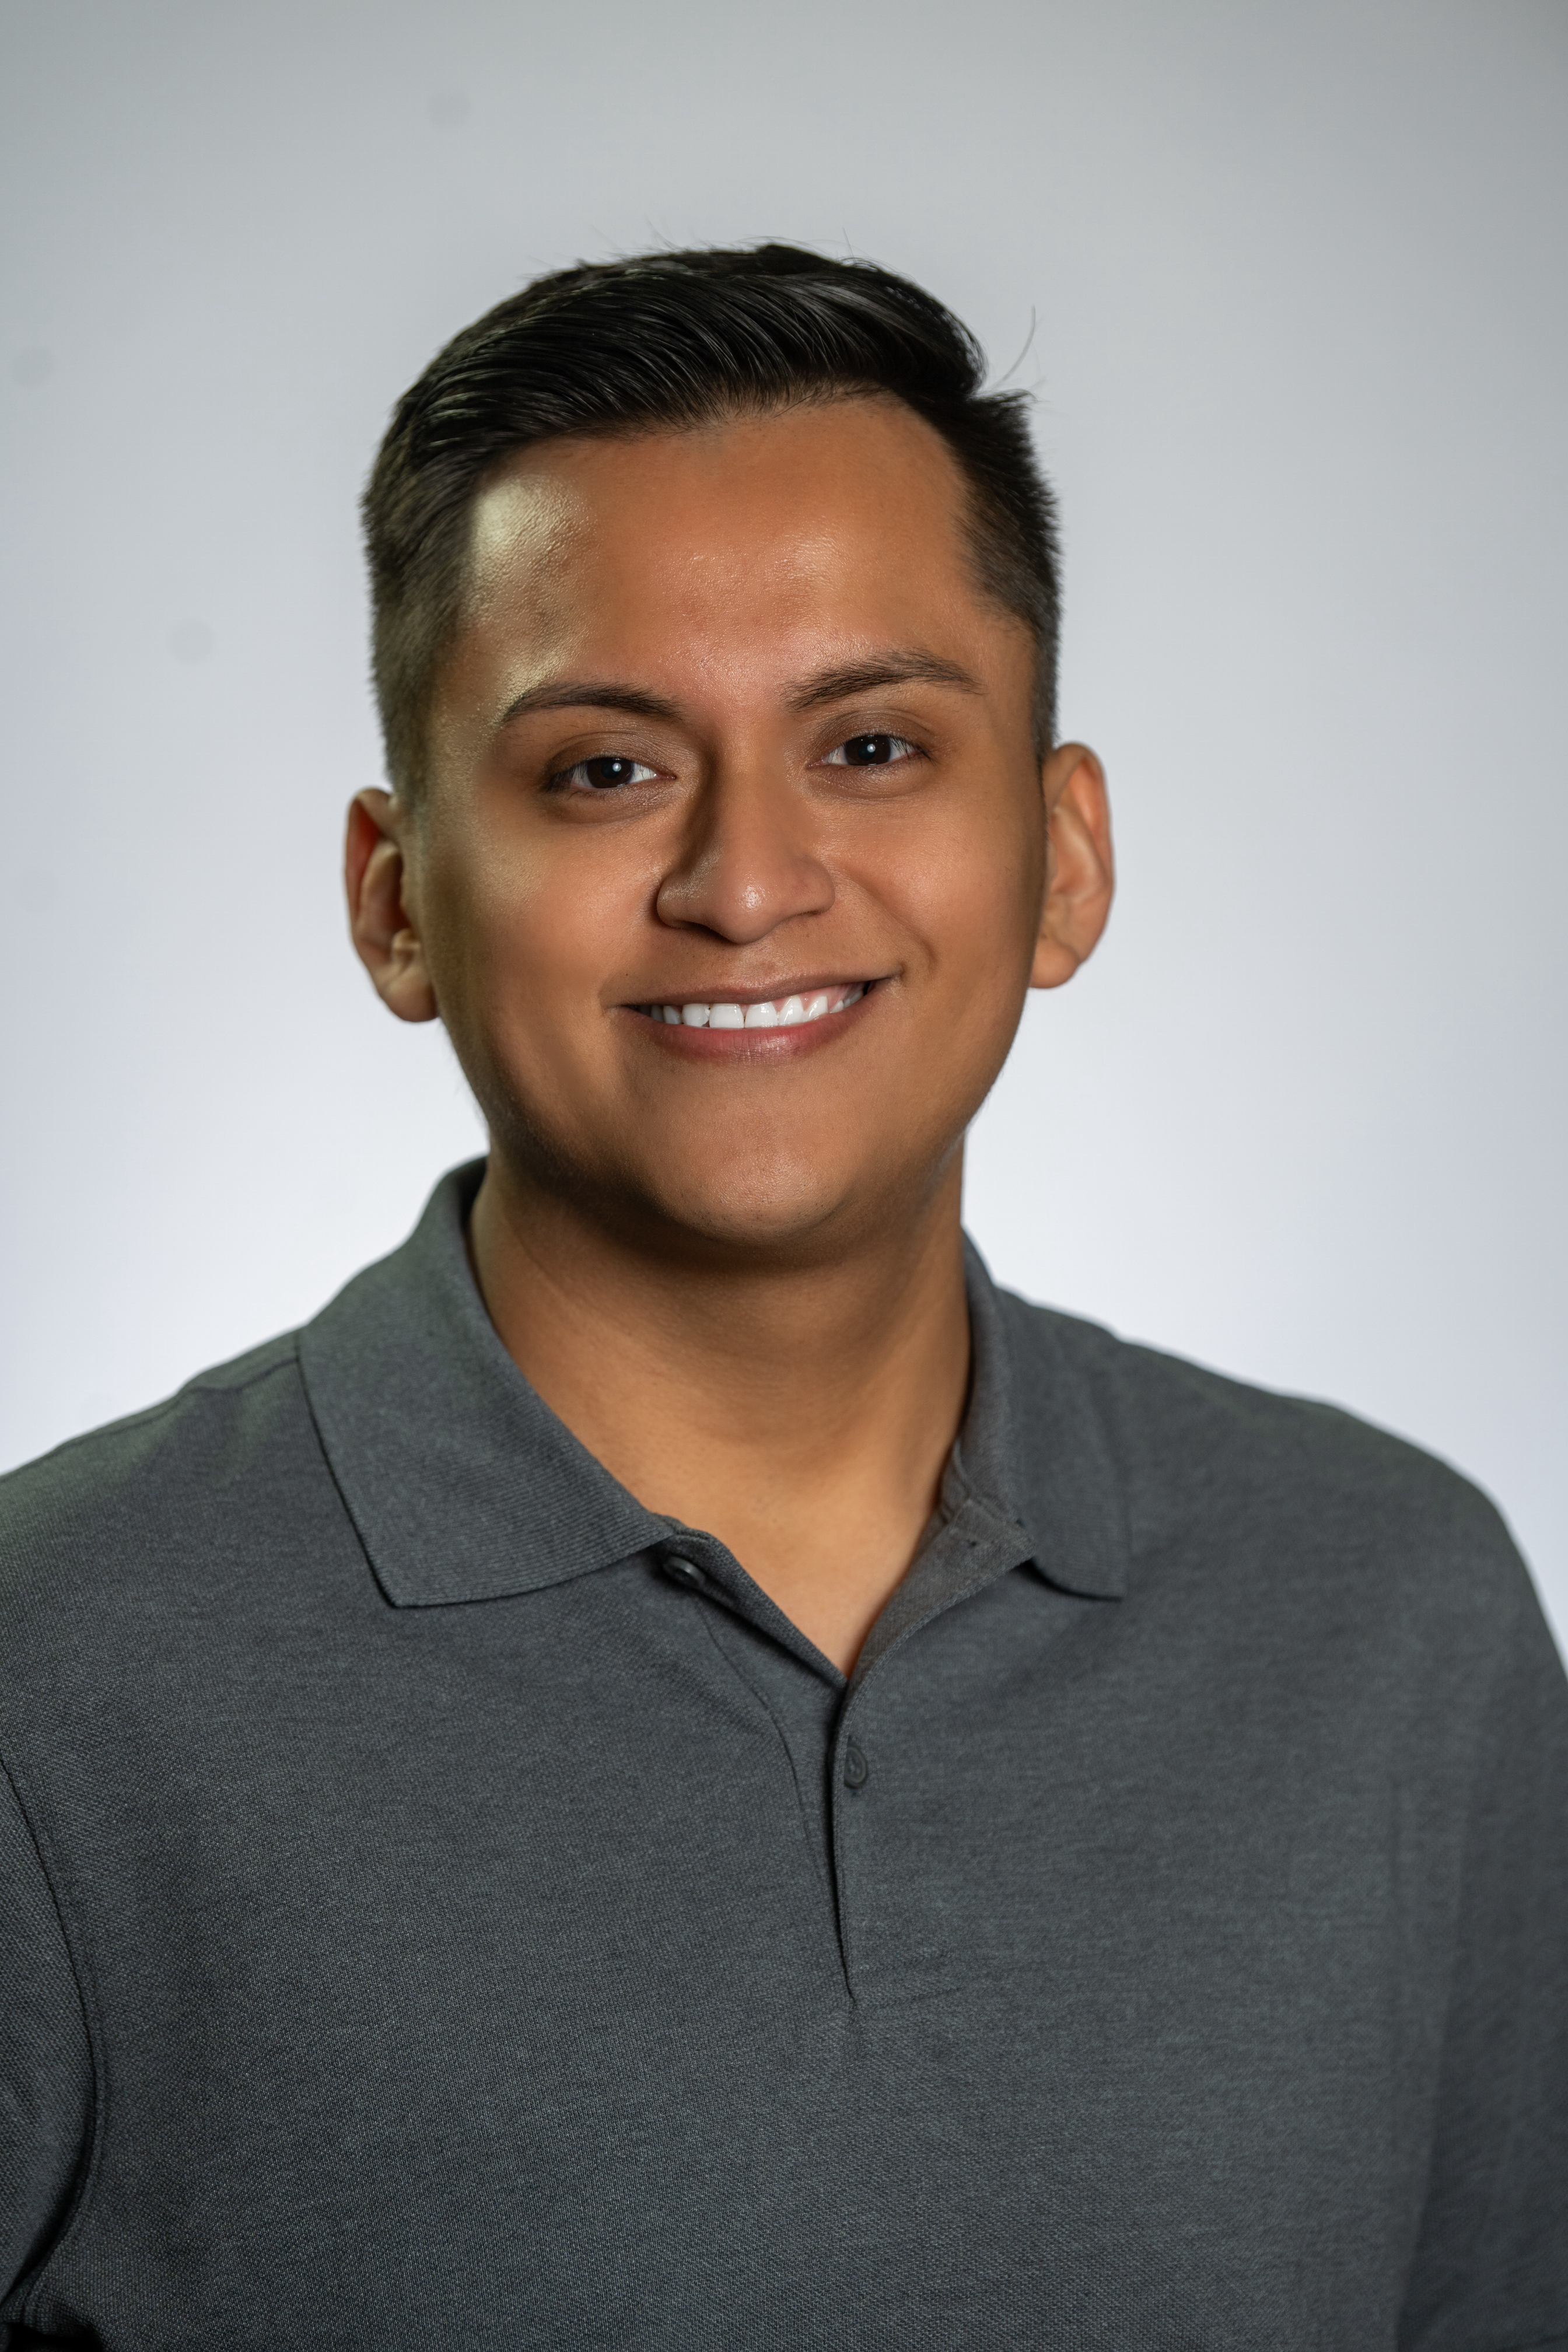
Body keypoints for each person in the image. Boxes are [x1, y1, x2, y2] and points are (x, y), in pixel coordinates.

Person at [1, 243, 1563, 2351]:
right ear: (397, 901)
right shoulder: (50, 1678)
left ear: (1064, 858)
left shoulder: (1398, 1619)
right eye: (605, 770)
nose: (747, 885)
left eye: (877, 745)